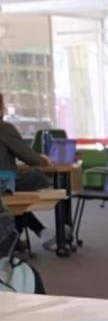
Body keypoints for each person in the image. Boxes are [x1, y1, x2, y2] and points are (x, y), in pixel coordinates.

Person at [0, 93, 58, 250]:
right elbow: (28, 157)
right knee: (38, 178)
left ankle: (34, 234)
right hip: (4, 186)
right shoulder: (4, 128)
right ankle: (39, 232)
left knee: (15, 197)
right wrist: (43, 160)